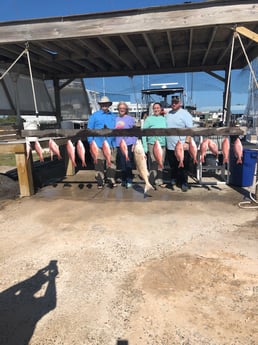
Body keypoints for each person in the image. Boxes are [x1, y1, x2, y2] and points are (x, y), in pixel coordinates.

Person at [87, 96, 117, 188]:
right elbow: (89, 129)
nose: (104, 105)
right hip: (98, 144)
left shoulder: (113, 116)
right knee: (99, 162)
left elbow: (117, 129)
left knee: (112, 162)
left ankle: (111, 178)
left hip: (111, 144)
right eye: (102, 104)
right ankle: (100, 180)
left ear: (109, 105)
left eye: (106, 104)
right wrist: (90, 142)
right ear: (100, 105)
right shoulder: (94, 115)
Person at [166, 95, 193, 192]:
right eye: (172, 102)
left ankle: (184, 182)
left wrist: (187, 142)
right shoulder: (168, 114)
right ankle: (174, 179)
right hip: (170, 146)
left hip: (181, 146)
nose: (174, 104)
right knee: (173, 165)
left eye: (176, 102)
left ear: (180, 103)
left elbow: (190, 129)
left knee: (184, 165)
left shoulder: (185, 114)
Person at [142, 102, 167, 187]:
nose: (156, 109)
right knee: (153, 162)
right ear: (153, 109)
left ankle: (159, 180)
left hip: (162, 144)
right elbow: (143, 133)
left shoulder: (164, 118)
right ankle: (151, 180)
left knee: (161, 162)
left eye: (158, 108)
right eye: (155, 108)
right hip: (152, 144)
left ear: (161, 109)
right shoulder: (149, 119)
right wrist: (145, 147)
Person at [115, 101, 137, 188]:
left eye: (123, 108)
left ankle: (129, 179)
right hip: (119, 144)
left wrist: (134, 143)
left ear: (126, 109)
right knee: (122, 162)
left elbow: (134, 131)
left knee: (128, 162)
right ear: (118, 109)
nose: (122, 110)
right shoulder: (116, 119)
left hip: (128, 143)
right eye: (120, 108)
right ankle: (123, 179)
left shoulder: (130, 119)